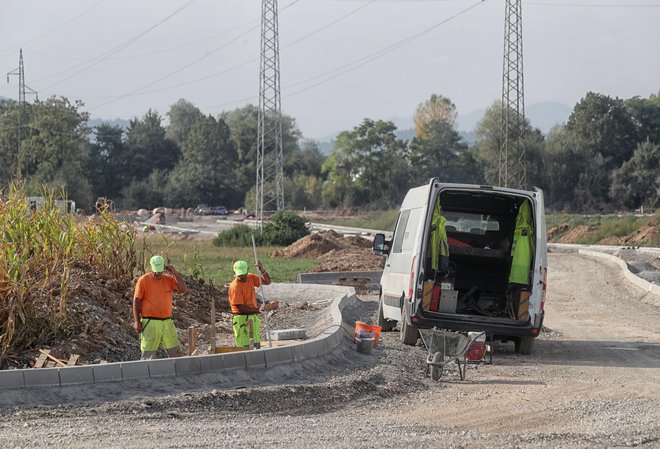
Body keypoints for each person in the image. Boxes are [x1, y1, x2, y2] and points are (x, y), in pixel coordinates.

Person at [132, 255, 187, 360]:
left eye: (160, 271)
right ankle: (147, 374)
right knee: (148, 355)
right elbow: (136, 301)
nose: (158, 274)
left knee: (175, 352)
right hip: (150, 322)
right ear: (151, 268)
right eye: (155, 271)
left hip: (167, 322)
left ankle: (178, 374)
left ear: (164, 268)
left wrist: (175, 273)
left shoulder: (168, 279)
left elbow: (183, 289)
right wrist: (137, 321)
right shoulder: (143, 280)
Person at [228, 260, 271, 349]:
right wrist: (257, 310)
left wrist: (262, 270)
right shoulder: (235, 286)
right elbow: (240, 308)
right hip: (241, 319)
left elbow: (267, 282)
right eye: (240, 275)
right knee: (244, 346)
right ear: (235, 273)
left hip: (252, 317)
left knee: (256, 344)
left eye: (244, 274)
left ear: (247, 270)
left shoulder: (250, 277)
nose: (243, 276)